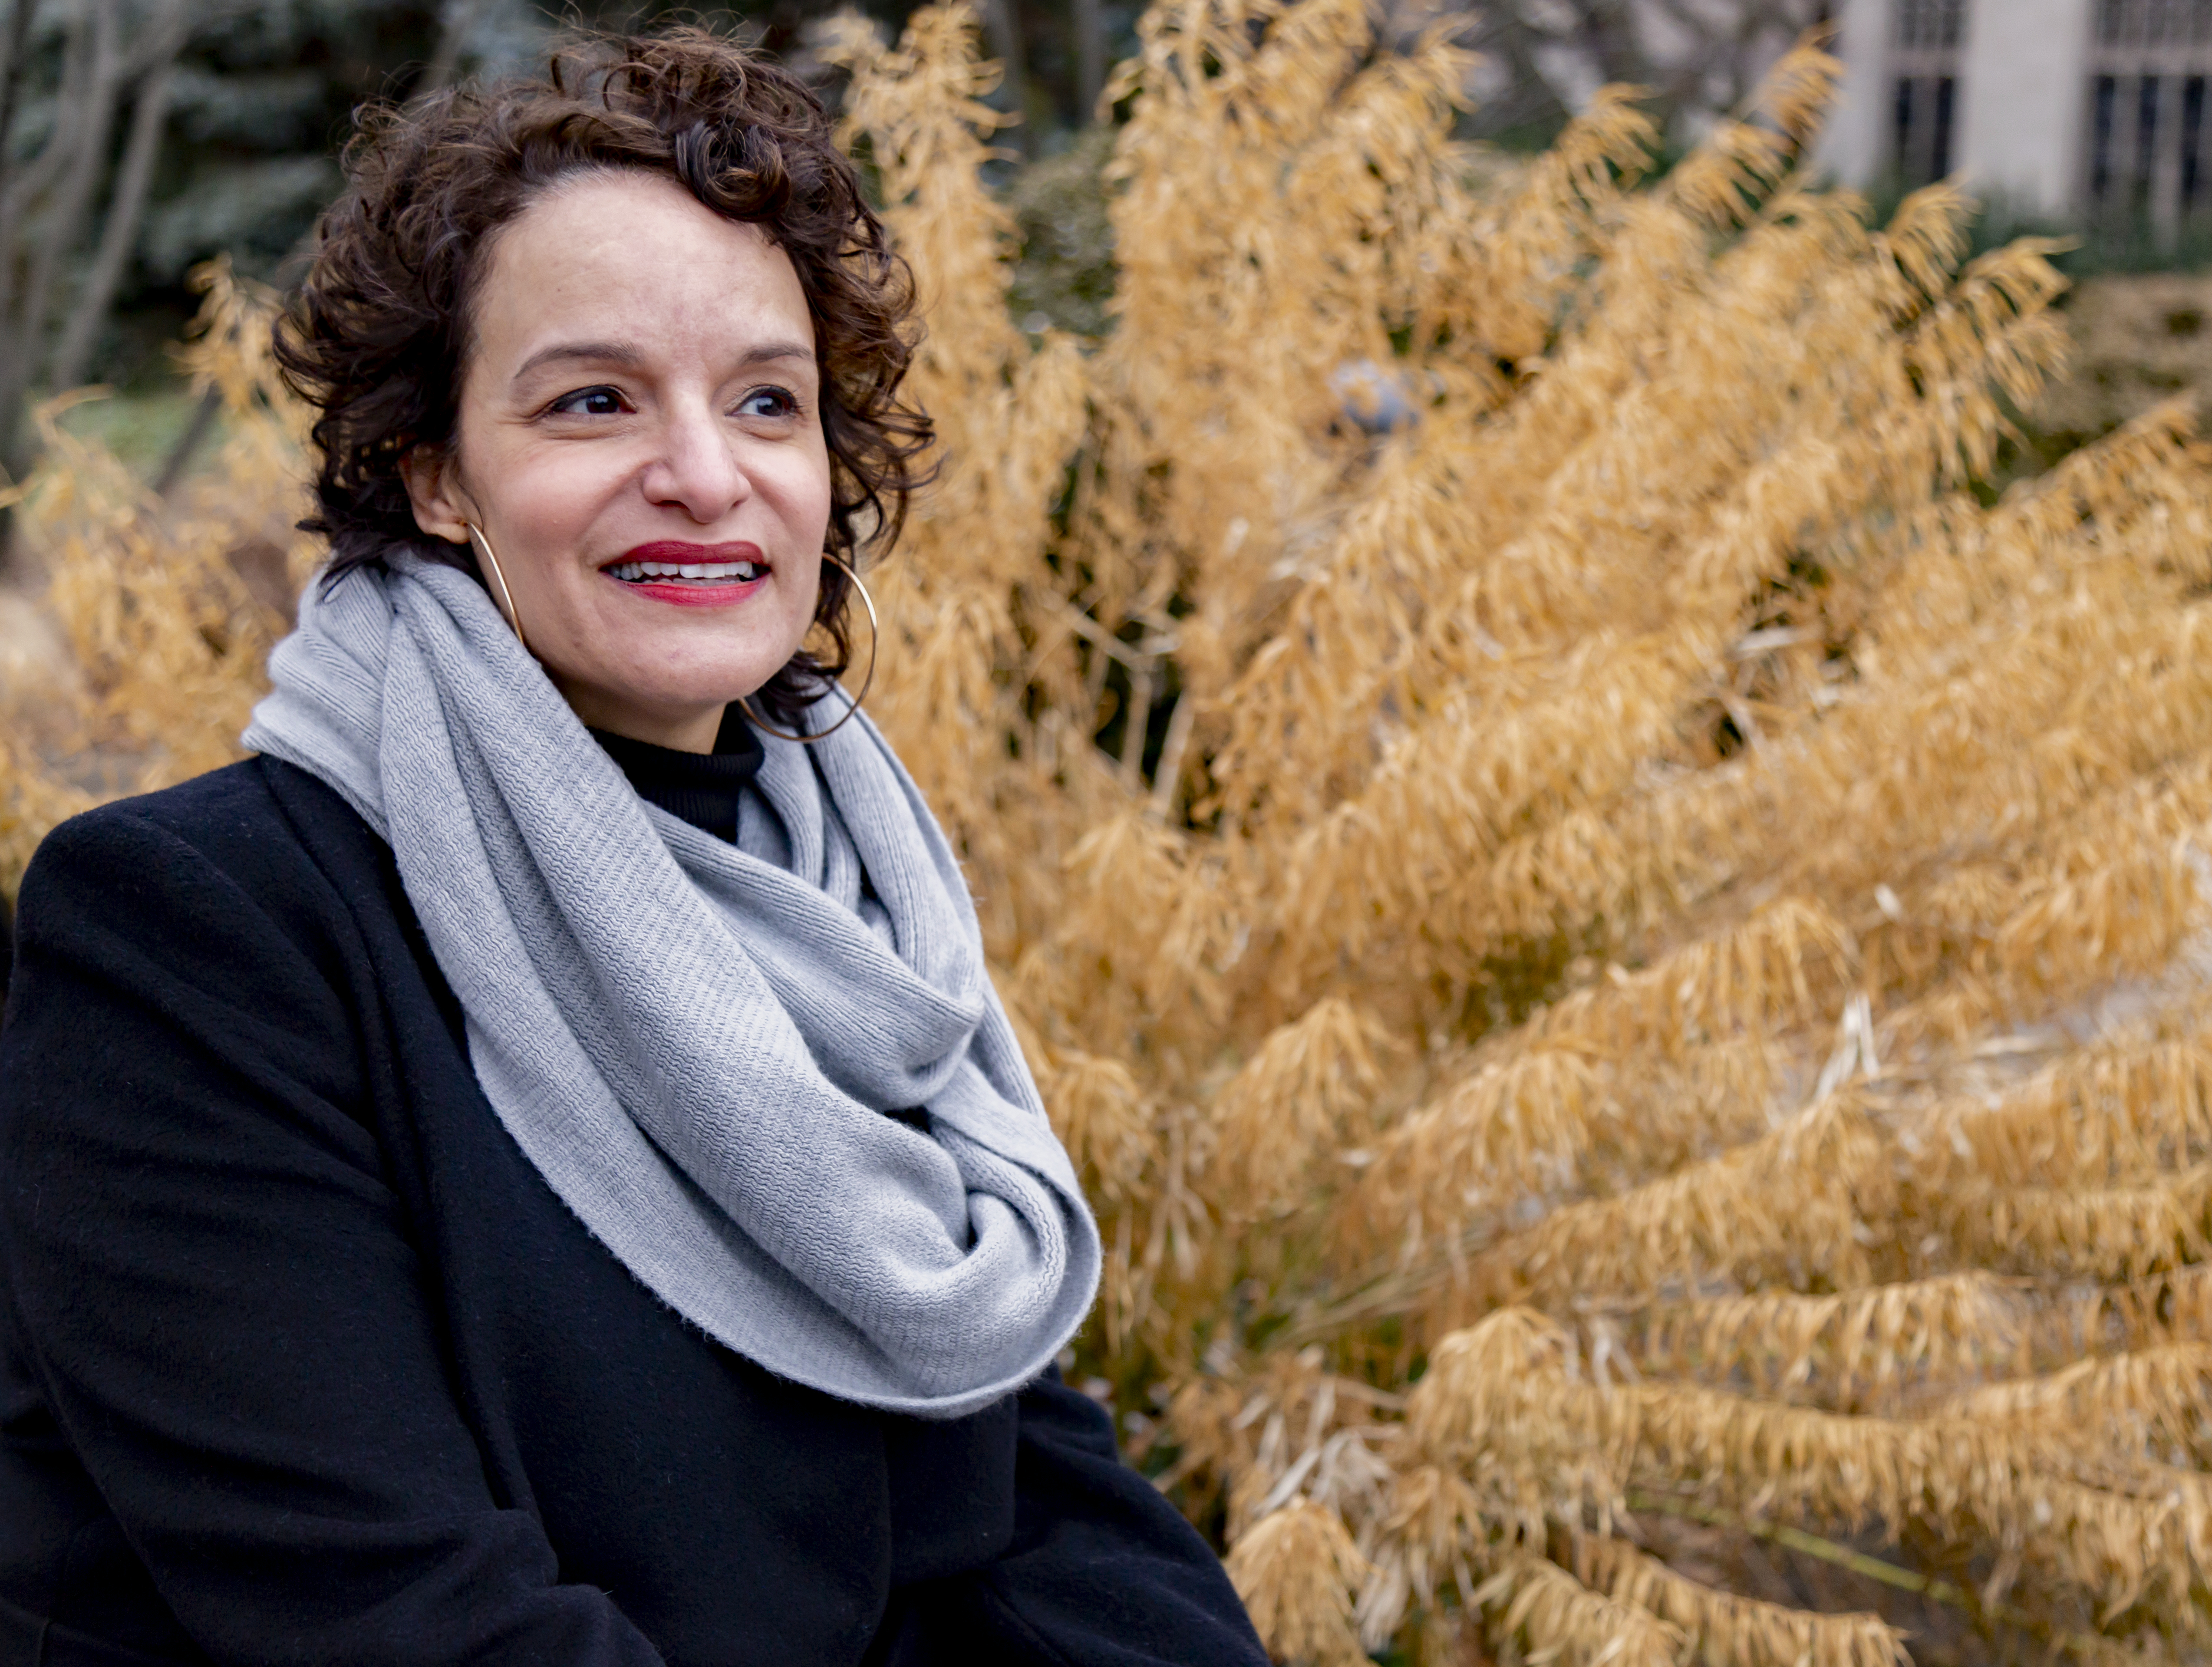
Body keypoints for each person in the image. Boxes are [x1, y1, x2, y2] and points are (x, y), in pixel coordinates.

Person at [0, 30, 1268, 1667]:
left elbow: (1015, 1506)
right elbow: (398, 1619)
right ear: (435, 474)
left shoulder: (837, 909)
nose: (704, 474)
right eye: (593, 401)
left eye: (768, 402)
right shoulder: (202, 933)